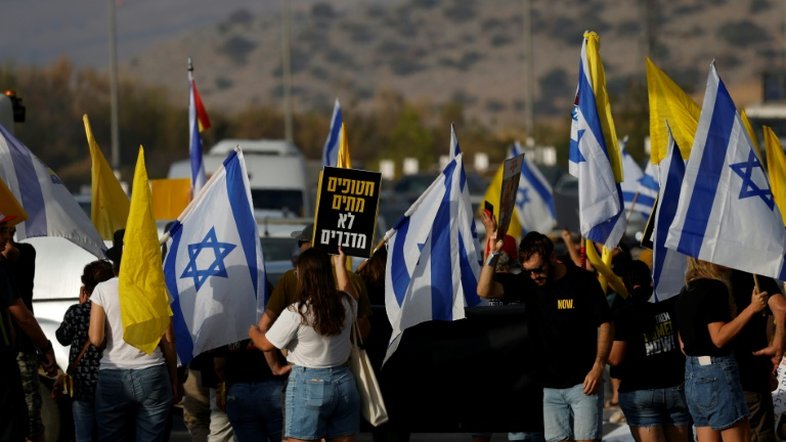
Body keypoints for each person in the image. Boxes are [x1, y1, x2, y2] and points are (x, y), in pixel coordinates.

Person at [478, 216, 611, 442]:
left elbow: (606, 323)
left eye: (538, 269)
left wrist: (599, 365)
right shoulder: (528, 283)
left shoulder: (582, 281)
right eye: (528, 270)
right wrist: (493, 250)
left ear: (552, 257)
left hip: (584, 383)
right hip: (550, 388)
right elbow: (484, 290)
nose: (534, 275)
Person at [249, 247, 360, 442]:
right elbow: (347, 290)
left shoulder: (296, 312)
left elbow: (265, 344)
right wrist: (340, 265)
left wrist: (252, 331)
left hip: (309, 383)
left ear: (304, 276)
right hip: (344, 382)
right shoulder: (346, 303)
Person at [88, 229, 182, 441]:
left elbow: (96, 339)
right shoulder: (156, 289)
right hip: (152, 371)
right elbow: (168, 339)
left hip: (113, 373)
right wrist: (174, 379)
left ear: (115, 262)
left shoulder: (102, 290)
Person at [254, 223, 372, 376]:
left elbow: (264, 326)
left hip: (303, 373)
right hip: (344, 370)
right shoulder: (353, 282)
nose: (300, 248)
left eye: (302, 243)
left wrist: (275, 366)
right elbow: (363, 327)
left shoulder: (291, 279)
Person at [674, 258, 768, 442]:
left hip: (693, 375)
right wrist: (752, 308)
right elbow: (718, 338)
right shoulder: (715, 288)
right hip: (717, 373)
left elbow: (683, 345)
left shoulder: (685, 291)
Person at [608, 260, 692, 442]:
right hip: (675, 387)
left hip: (640, 391)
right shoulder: (669, 302)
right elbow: (684, 344)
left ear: (625, 284)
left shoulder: (624, 310)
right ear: (650, 280)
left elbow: (615, 358)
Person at [0, 217, 58, 441]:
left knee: (30, 414)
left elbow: (13, 254)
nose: (7, 236)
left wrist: (44, 347)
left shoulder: (25, 252)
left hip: (20, 347)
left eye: (10, 230)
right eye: (4, 231)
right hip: (8, 349)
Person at [55, 260, 115, 442]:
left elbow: (62, 338)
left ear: (85, 288)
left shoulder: (77, 312)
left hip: (82, 383)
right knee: (110, 432)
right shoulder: (114, 310)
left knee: (83, 434)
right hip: (110, 378)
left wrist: (81, 306)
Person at [730, 269, 786, 442]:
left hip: (716, 377)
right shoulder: (753, 271)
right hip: (753, 371)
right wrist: (778, 345)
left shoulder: (708, 281)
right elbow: (782, 308)